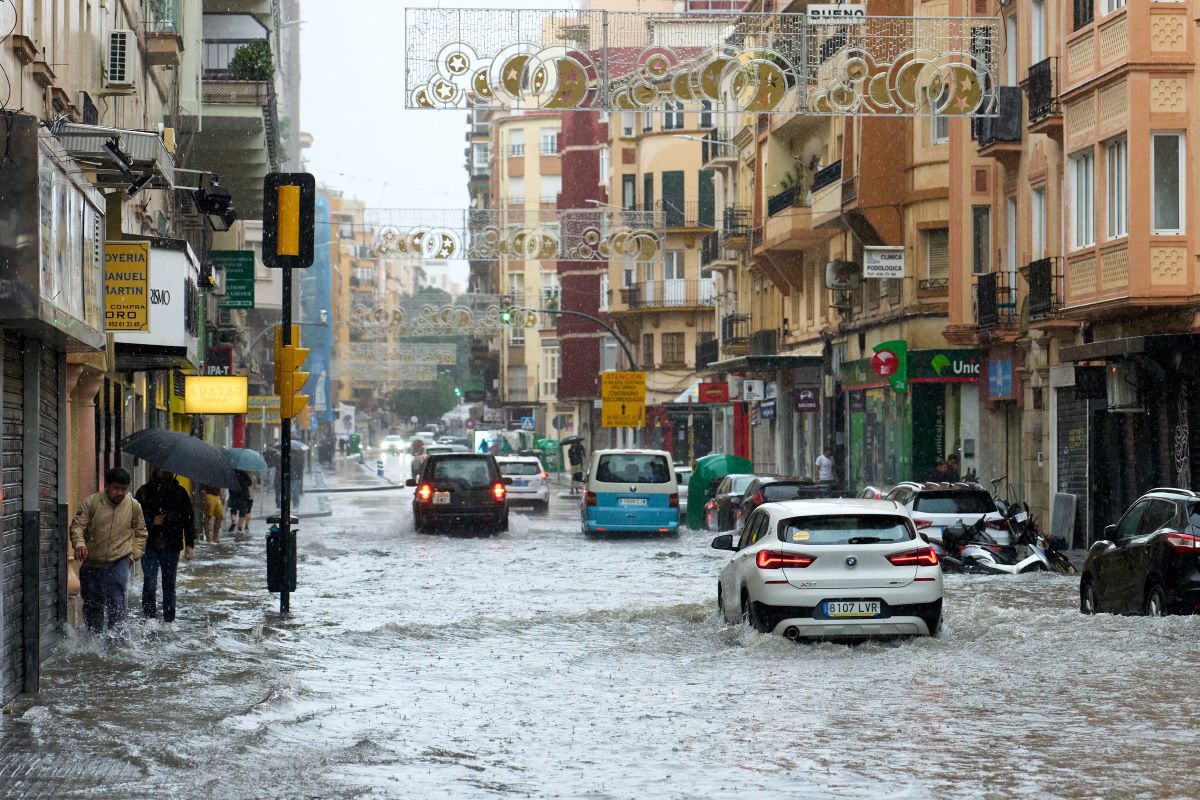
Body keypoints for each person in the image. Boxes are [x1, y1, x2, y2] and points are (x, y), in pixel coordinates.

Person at [69, 468, 148, 635]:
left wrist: (132, 556)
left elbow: (141, 534)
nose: (120, 493)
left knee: (117, 601)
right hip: (92, 562)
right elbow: (77, 526)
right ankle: (94, 641)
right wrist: (80, 545)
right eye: (116, 488)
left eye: (124, 489)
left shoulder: (134, 506)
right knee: (92, 605)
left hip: (119, 562)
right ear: (107, 486)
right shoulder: (92, 503)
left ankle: (115, 645)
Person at [135, 468, 196, 623]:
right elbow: (134, 518)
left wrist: (190, 544)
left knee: (169, 584)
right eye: (160, 469)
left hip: (172, 545)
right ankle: (149, 619)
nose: (163, 472)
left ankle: (169, 620)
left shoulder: (180, 493)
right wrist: (151, 521)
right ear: (154, 470)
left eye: (166, 470)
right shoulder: (143, 492)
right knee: (150, 582)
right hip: (149, 545)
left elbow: (188, 519)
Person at [226, 469, 254, 535]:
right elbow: (250, 483)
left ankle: (234, 521)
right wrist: (244, 483)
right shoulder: (243, 473)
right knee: (242, 512)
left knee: (233, 510)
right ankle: (240, 527)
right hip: (243, 495)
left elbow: (227, 483)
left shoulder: (230, 473)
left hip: (233, 495)